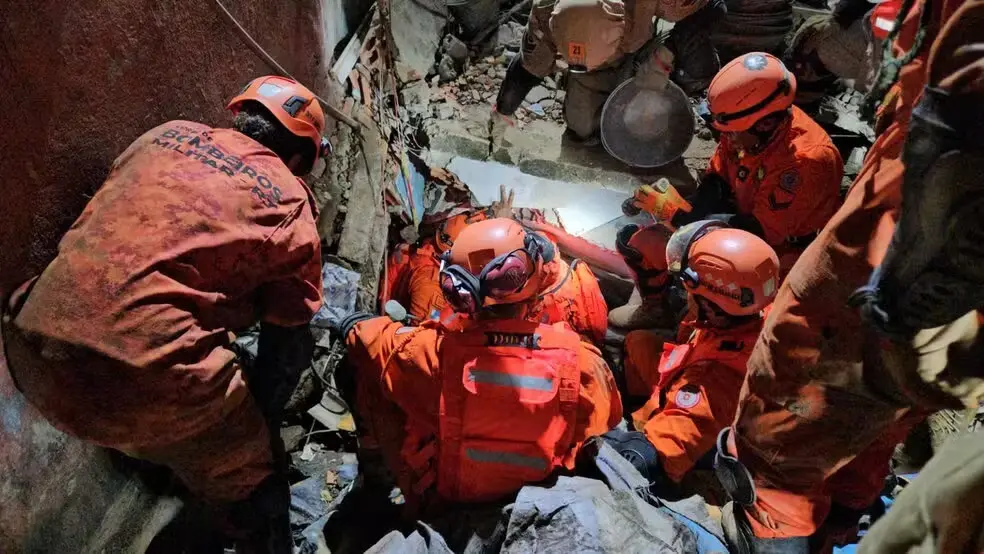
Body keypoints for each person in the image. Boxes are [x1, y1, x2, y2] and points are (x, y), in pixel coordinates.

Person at [1, 76, 329, 552]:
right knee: (254, 481)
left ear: (239, 117)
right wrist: (255, 427)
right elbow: (287, 345)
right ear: (299, 157)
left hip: (32, 349)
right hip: (149, 378)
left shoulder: (163, 135)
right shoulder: (290, 199)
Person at [713, 0, 984, 551]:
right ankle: (836, 513)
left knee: (798, 398)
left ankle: (777, 524)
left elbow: (812, 306)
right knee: (885, 403)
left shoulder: (809, 162)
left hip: (905, 235)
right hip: (922, 188)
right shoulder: (747, 133)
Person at [344, 218, 622, 510]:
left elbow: (370, 341)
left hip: (451, 501)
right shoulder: (583, 362)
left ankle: (377, 478)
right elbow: (606, 422)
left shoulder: (431, 349)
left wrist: (350, 324)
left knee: (375, 381)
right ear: (535, 277)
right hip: (539, 504)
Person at [609, 53, 843, 330]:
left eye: (730, 132)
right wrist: (686, 210)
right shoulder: (746, 126)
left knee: (714, 317)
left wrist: (683, 221)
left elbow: (757, 233)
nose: (727, 139)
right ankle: (656, 309)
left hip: (775, 257)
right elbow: (718, 179)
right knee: (641, 244)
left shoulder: (807, 162)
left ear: (766, 123)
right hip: (738, 228)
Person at [601, 222, 779, 491]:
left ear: (713, 305)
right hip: (697, 359)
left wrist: (597, 447)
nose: (685, 292)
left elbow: (652, 458)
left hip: (704, 424)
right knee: (638, 342)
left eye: (690, 289)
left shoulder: (711, 383)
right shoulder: (758, 306)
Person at [491, 0, 725, 144]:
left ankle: (664, 98)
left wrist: (668, 52)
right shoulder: (545, 16)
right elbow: (526, 71)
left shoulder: (670, 3)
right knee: (582, 129)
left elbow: (716, 8)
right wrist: (502, 112)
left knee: (698, 65)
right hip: (592, 59)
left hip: (641, 46)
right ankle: (592, 76)